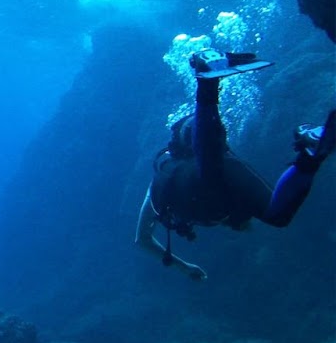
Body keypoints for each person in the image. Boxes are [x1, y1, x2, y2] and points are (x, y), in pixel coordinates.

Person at [135, 48, 335, 280]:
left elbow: (142, 239)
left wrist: (185, 267)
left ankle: (309, 152)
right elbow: (142, 240)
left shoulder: (169, 179)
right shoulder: (165, 181)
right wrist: (184, 266)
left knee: (269, 210)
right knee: (215, 166)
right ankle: (310, 150)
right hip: (200, 173)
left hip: (195, 177)